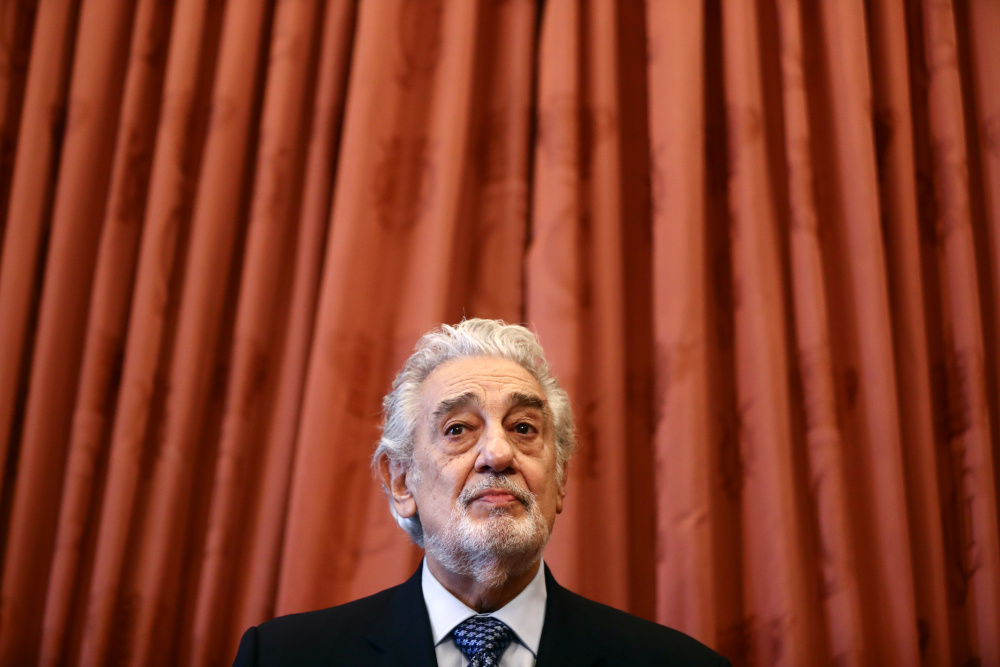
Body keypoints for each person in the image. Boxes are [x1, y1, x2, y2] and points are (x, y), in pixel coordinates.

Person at [234, 319, 730, 666]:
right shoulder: (284, 656)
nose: (498, 453)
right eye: (457, 429)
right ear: (402, 481)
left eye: (523, 428)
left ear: (558, 481)